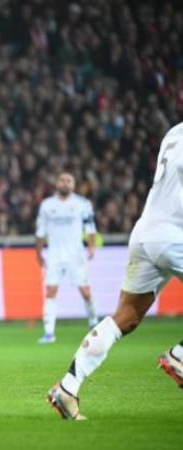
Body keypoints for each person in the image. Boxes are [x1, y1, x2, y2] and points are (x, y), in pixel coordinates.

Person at [47, 122, 183, 420]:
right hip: (176, 234)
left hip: (145, 232)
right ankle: (180, 357)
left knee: (126, 317)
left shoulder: (174, 133)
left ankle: (68, 388)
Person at [35, 172, 98, 344]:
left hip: (75, 255)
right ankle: (49, 333)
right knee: (50, 292)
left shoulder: (82, 204)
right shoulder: (47, 205)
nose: (65, 183)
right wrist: (38, 252)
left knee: (85, 291)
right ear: (56, 183)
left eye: (69, 180)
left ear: (73, 185)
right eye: (62, 180)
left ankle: (94, 323)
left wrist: (91, 246)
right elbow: (41, 231)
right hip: (54, 255)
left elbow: (90, 228)